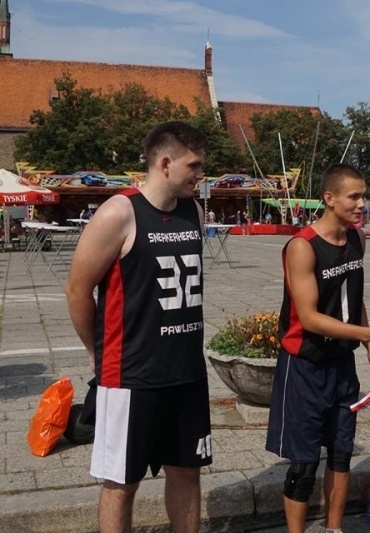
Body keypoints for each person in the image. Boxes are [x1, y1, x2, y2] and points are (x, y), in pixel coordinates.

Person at [65, 121, 211, 532]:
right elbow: (77, 289)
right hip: (131, 377)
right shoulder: (119, 213)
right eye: (194, 165)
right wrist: (98, 355)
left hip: (185, 373)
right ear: (166, 164)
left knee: (187, 472)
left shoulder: (193, 212)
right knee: (121, 483)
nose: (201, 176)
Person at [265, 163, 370, 533]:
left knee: (341, 455)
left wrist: (368, 346)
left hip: (342, 363)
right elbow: (308, 318)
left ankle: (334, 528)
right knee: (304, 463)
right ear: (329, 199)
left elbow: (352, 296)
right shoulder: (302, 247)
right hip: (304, 364)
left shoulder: (357, 239)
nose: (363, 204)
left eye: (363, 196)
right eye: (353, 196)